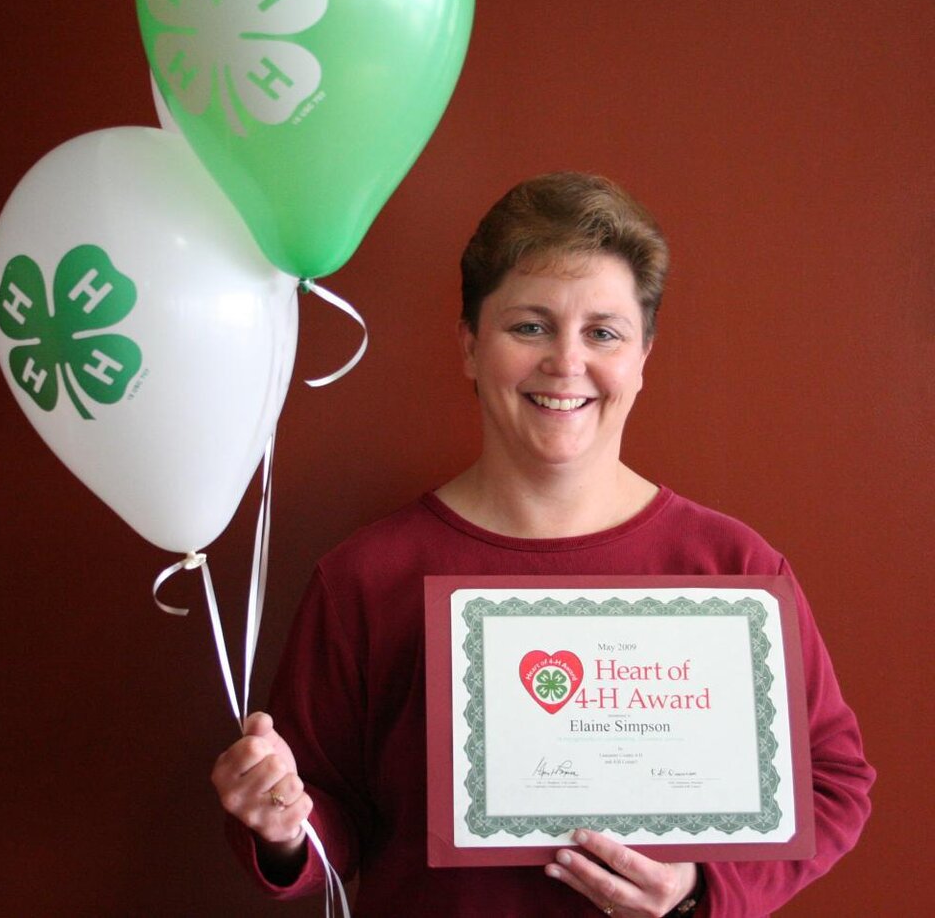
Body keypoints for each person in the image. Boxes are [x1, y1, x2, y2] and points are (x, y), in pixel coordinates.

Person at [212, 172, 874, 917]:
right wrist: (279, 826)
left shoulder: (732, 568)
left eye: (604, 332)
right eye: (529, 325)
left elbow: (835, 783)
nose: (566, 361)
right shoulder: (366, 576)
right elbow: (325, 820)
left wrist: (701, 888)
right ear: (469, 345)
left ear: (643, 357)